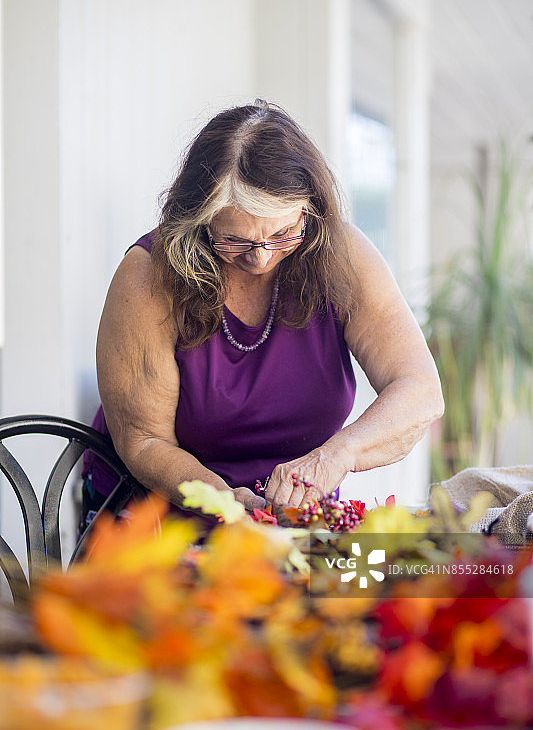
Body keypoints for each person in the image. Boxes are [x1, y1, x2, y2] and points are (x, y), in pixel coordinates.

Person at [82, 99, 444, 530]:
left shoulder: (342, 255)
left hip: (294, 517)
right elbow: (144, 442)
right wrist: (222, 502)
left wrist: (337, 455)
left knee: (372, 588)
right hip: (160, 516)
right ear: (199, 221)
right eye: (236, 240)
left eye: (283, 233)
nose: (261, 259)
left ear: (310, 209)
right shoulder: (148, 275)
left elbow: (421, 390)